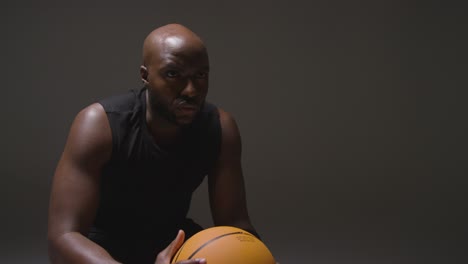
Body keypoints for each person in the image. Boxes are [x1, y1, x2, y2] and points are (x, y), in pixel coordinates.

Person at [47, 23, 259, 264]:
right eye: (173, 74)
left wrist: (260, 257)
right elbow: (63, 237)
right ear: (145, 75)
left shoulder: (220, 128)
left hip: (172, 244)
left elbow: (235, 225)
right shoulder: (99, 124)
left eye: (200, 75)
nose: (191, 90)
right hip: (104, 250)